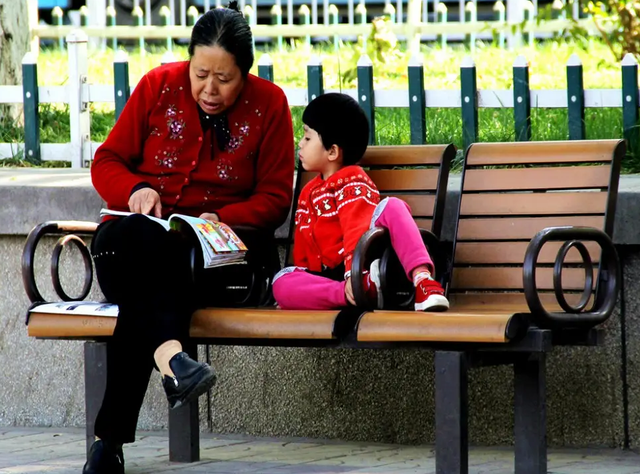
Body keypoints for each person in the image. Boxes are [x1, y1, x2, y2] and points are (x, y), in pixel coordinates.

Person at [83, 3, 294, 473]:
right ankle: (172, 359)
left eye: (225, 78)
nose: (210, 90)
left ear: (246, 73)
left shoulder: (270, 103)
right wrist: (137, 190)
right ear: (189, 63)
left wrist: (212, 219)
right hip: (144, 240)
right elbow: (108, 160)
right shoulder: (158, 86)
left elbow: (276, 197)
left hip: (224, 252)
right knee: (134, 240)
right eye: (201, 74)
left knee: (147, 277)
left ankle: (108, 444)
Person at [272, 93, 448, 312]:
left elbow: (355, 227)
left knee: (392, 205)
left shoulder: (352, 178)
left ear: (333, 151)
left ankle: (423, 281)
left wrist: (352, 273)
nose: (300, 143)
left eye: (307, 138)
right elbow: (303, 249)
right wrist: (302, 284)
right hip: (333, 279)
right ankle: (357, 293)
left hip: (364, 264)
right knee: (281, 281)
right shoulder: (308, 191)